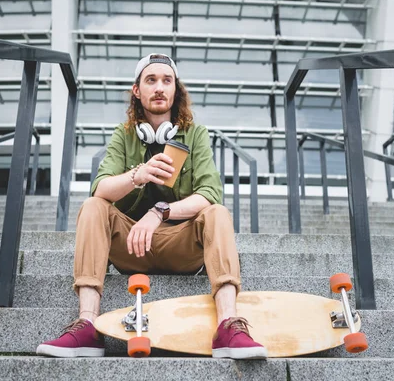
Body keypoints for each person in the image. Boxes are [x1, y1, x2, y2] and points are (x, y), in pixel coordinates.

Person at [36, 53, 267, 360]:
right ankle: (88, 325)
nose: (159, 87)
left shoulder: (195, 134)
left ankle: (228, 325)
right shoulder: (125, 134)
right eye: (151, 80)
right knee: (93, 205)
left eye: (166, 80)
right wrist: (137, 175)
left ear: (176, 90)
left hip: (181, 246)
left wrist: (159, 211)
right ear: (137, 91)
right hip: (133, 247)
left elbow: (210, 193)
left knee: (217, 213)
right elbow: (101, 187)